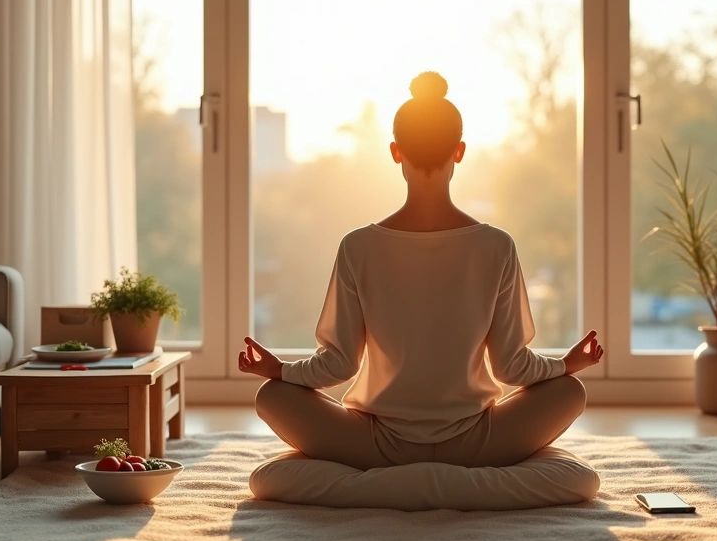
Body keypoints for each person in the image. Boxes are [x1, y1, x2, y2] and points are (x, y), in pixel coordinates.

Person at [240, 71, 602, 471]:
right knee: (570, 391)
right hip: (478, 443)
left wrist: (277, 370)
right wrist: (566, 365)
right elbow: (512, 368)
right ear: (459, 151)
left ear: (396, 152)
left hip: (375, 446)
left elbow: (338, 365)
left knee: (272, 396)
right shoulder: (497, 246)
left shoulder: (358, 246)